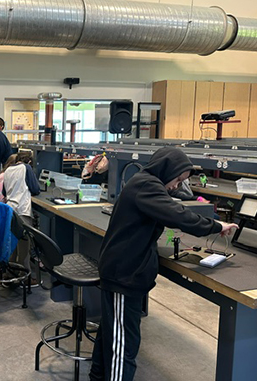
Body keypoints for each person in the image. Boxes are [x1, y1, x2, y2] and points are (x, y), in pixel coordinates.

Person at [89, 147, 238, 381]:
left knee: (112, 333)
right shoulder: (147, 185)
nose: (177, 186)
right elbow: (177, 214)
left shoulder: (144, 183)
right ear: (166, 170)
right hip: (123, 274)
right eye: (178, 179)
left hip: (123, 270)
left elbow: (173, 207)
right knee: (123, 345)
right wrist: (217, 226)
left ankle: (98, 377)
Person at [3, 151, 41, 282]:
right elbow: (35, 188)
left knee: (12, 242)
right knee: (24, 243)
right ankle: (25, 276)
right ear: (29, 161)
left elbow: (4, 191)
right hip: (22, 210)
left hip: (9, 209)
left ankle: (10, 272)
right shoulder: (26, 168)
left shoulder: (7, 170)